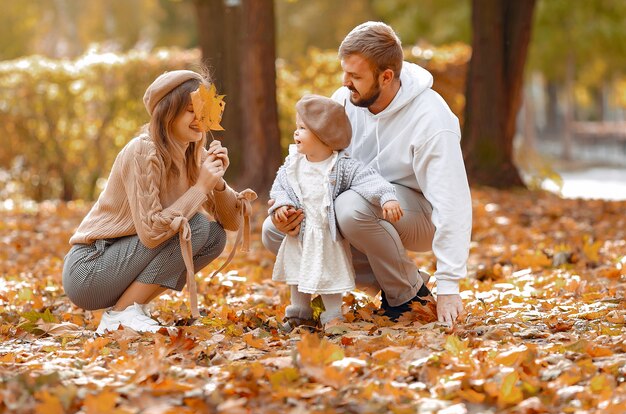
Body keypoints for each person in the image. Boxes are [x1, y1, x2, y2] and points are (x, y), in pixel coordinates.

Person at [262, 22, 472, 324]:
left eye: (355, 76)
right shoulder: (345, 99)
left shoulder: (431, 118)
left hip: (418, 215)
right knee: (273, 231)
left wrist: (450, 284)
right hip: (358, 202)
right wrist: (290, 199)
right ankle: (397, 281)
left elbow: (452, 203)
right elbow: (310, 151)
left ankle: (406, 295)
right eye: (345, 72)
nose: (345, 82)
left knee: (350, 207)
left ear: (386, 77)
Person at [63, 69, 251, 334]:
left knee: (213, 236)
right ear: (167, 112)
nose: (200, 118)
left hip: (124, 263)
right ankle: (121, 313)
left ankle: (128, 309)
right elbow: (152, 233)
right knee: (195, 224)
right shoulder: (143, 151)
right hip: (91, 268)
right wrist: (200, 187)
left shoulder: (194, 154)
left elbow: (230, 223)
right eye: (190, 110)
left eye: (204, 109)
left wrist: (218, 183)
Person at [270, 94, 404, 326]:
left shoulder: (341, 166)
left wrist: (386, 198)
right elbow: (279, 188)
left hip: (325, 235)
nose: (296, 133)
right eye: (296, 127)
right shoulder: (293, 164)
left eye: (302, 128)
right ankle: (298, 312)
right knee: (297, 272)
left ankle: (332, 316)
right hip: (300, 232)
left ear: (323, 136)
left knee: (329, 274)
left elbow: (369, 180)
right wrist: (281, 205)